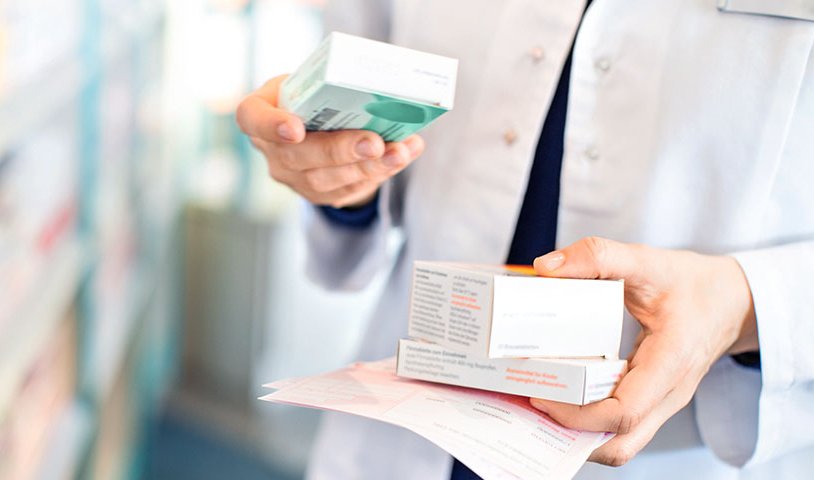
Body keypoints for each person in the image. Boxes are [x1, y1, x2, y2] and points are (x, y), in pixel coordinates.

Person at [236, 1, 814, 478]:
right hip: (405, 423)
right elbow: (361, 100)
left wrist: (742, 306)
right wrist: (336, 177)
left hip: (685, 447)